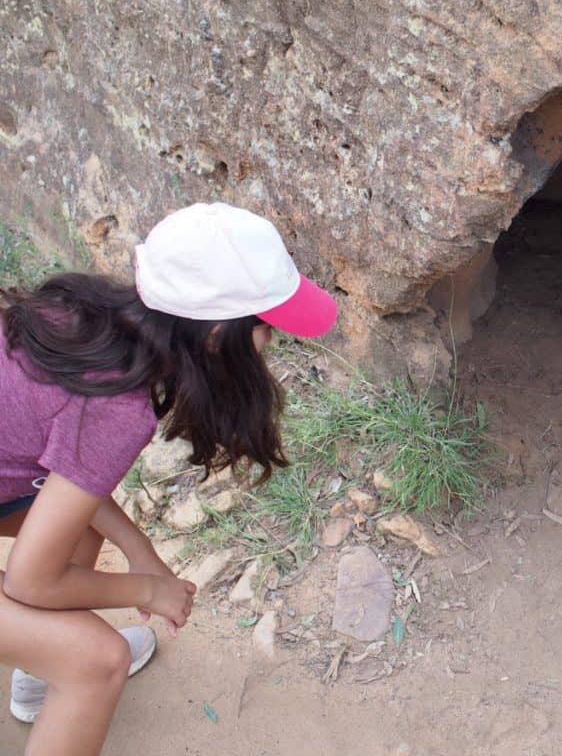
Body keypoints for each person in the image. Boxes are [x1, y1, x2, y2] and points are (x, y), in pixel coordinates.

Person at [0, 202, 338, 755]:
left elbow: (64, 473)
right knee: (98, 662)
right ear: (217, 336)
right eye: (265, 328)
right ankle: (65, 666)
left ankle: (41, 668)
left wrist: (138, 548)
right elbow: (29, 582)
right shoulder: (119, 409)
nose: (269, 343)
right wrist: (149, 590)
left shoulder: (81, 318)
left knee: (77, 534)